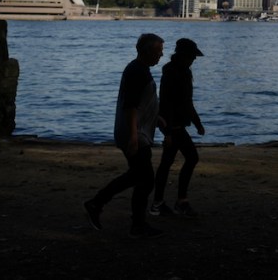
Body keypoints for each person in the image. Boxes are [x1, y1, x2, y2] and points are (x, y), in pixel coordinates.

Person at [84, 33, 166, 238]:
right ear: (146, 51)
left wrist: (156, 119)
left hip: (138, 131)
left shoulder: (139, 69)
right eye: (158, 51)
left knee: (141, 178)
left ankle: (133, 222)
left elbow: (141, 104)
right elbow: (130, 107)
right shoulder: (137, 71)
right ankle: (100, 204)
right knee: (143, 178)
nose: (161, 55)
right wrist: (133, 136)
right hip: (135, 132)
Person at [151, 37, 206, 218]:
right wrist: (169, 131)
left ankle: (160, 202)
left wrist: (196, 123)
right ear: (184, 56)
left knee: (168, 163)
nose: (194, 59)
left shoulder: (179, 71)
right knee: (190, 157)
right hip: (173, 125)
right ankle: (178, 201)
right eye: (192, 56)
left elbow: (183, 102)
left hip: (174, 124)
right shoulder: (175, 73)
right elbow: (169, 103)